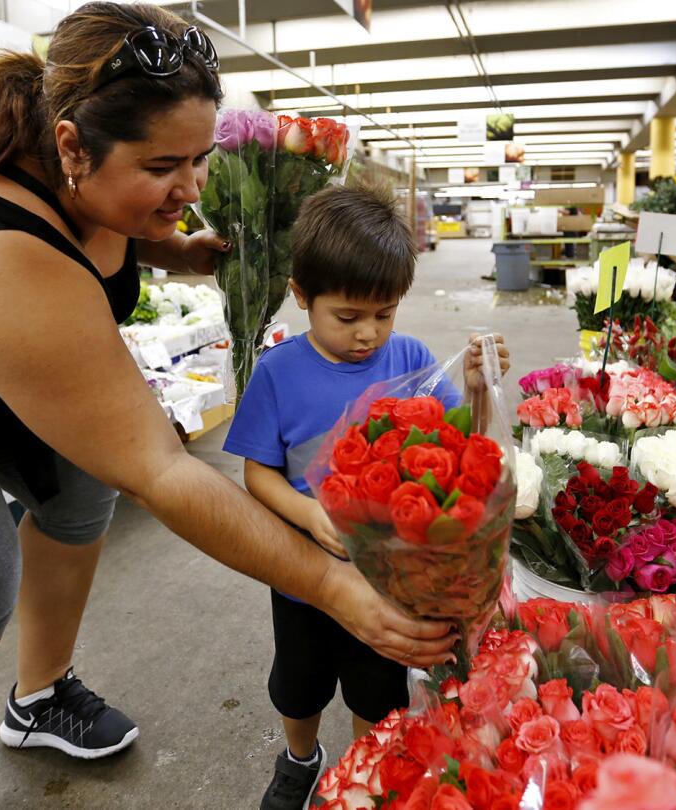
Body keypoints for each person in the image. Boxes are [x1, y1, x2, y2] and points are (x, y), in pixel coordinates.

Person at [0, 5, 455, 809]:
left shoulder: (66, 147)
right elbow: (160, 471)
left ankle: (39, 697)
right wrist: (335, 589)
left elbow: (99, 216)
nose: (193, 187)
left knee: (77, 481)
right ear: (71, 147)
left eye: (202, 158)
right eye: (166, 164)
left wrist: (173, 246)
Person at [222, 182, 510, 810]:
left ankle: (363, 775)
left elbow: (462, 451)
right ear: (302, 296)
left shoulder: (410, 357)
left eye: (384, 313)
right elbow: (258, 474)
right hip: (302, 576)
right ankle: (300, 758)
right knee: (298, 686)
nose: (367, 335)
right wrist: (308, 513)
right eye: (347, 317)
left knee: (375, 693)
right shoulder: (277, 373)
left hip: (389, 581)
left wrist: (478, 388)